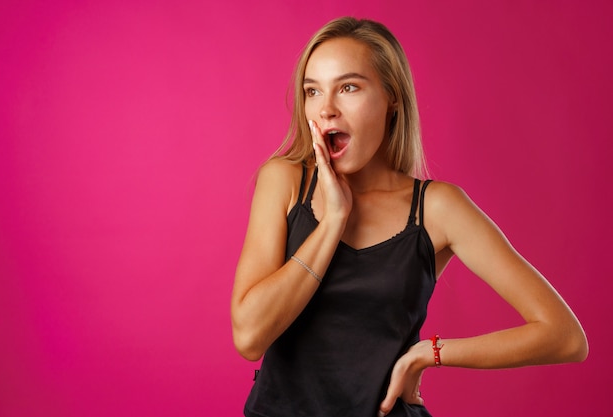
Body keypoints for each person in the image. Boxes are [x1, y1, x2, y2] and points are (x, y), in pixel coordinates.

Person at [230, 16, 588, 417]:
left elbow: (565, 336)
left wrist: (427, 354)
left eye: (348, 88)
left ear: (392, 97)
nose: (326, 109)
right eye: (313, 91)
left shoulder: (437, 208)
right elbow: (249, 337)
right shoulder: (284, 180)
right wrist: (333, 221)